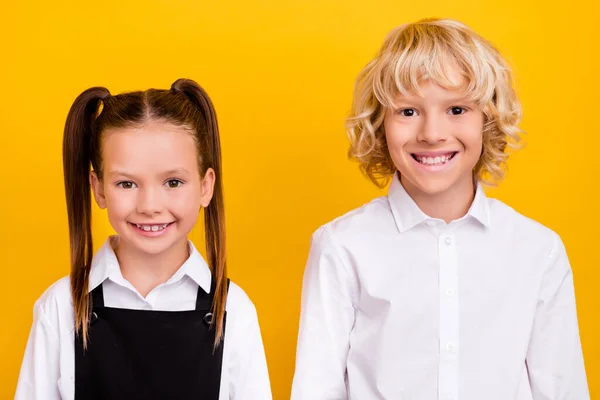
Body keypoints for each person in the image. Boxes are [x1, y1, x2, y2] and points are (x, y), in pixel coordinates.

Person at [291, 18, 589, 399]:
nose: (432, 133)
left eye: (457, 110)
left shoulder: (538, 250)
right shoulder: (341, 247)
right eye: (408, 112)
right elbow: (317, 388)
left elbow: (563, 389)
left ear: (488, 118)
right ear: (380, 123)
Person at [15, 78, 272, 399]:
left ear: (206, 187)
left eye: (173, 182)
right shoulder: (60, 307)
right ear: (98, 188)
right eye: (126, 184)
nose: (150, 206)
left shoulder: (234, 310)